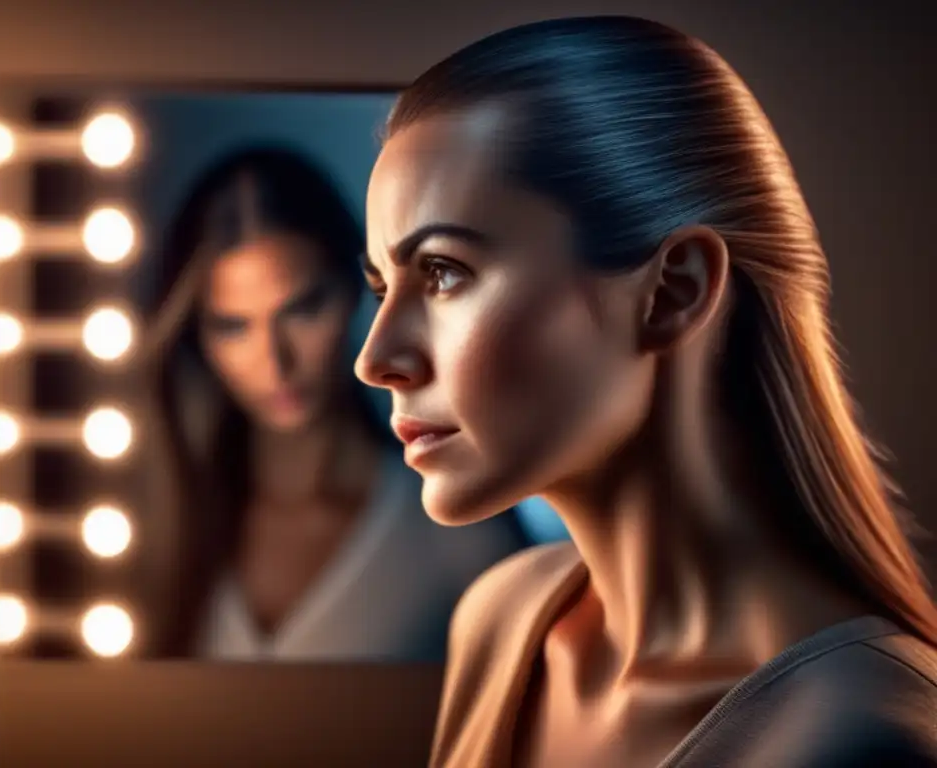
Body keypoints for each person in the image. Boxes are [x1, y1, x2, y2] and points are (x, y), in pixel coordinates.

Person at [355, 16, 937, 767]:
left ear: (674, 291)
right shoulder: (499, 620)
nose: (377, 358)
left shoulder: (860, 738)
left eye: (441, 272)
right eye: (380, 287)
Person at [140, 145, 527, 661]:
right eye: (233, 326)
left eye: (303, 308)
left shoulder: (458, 536)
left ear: (356, 287)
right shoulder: (155, 529)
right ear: (198, 336)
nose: (275, 362)